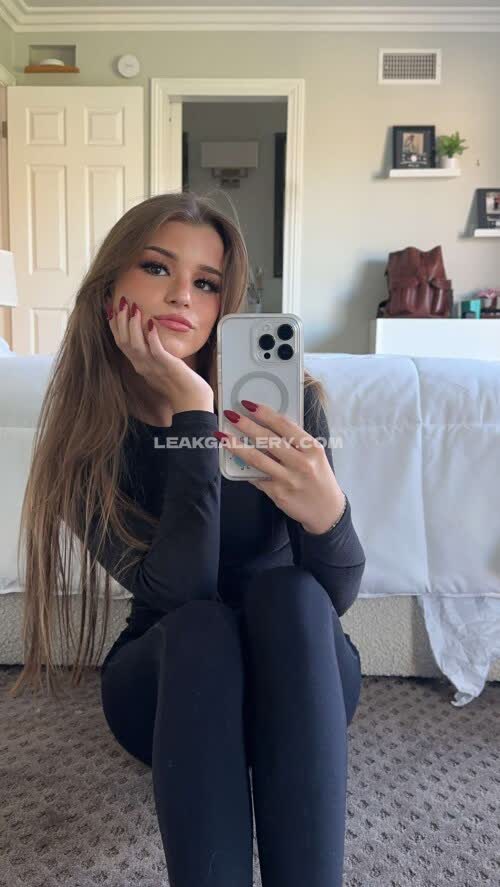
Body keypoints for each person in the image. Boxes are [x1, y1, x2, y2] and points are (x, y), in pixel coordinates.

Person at [9, 190, 366, 887]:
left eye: (206, 282)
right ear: (110, 291)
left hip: (299, 674)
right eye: (157, 268)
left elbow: (332, 601)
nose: (181, 295)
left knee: (291, 594)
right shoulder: (87, 442)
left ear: (224, 304)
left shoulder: (285, 404)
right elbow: (182, 593)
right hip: (167, 684)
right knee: (202, 625)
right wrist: (195, 416)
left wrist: (330, 514)